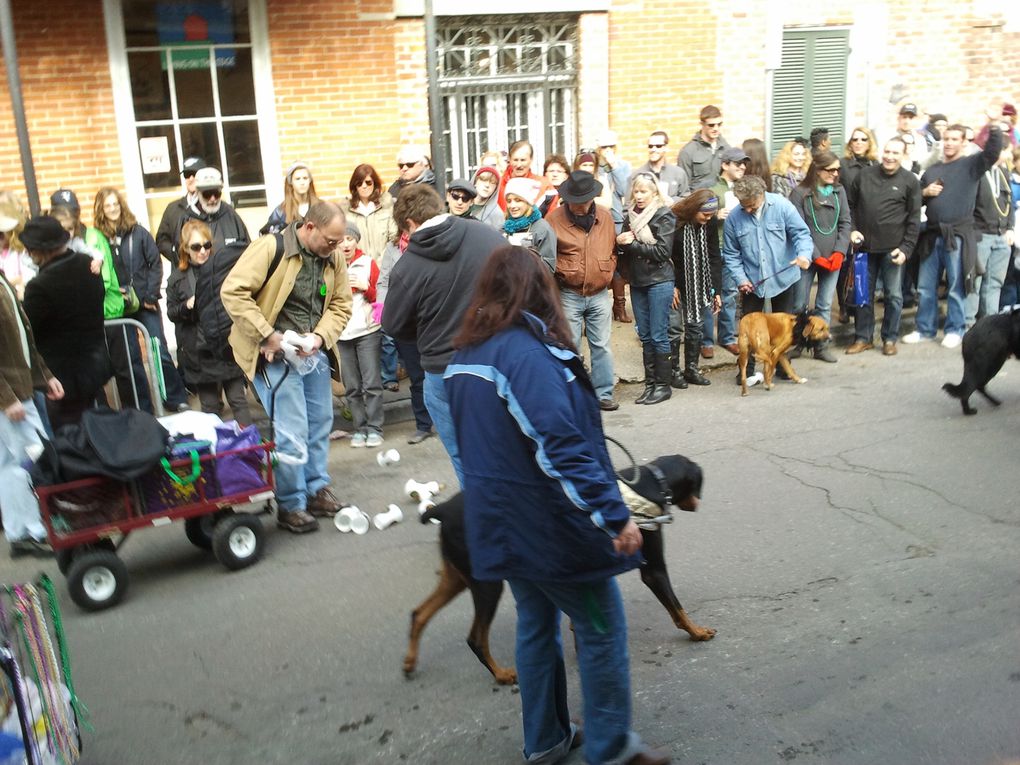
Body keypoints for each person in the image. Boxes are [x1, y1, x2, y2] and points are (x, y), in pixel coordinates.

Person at [444, 244, 669, 765]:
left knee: (536, 624)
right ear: (538, 289)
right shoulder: (523, 354)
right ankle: (611, 749)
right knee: (601, 627)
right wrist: (614, 515)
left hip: (502, 523)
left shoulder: (466, 356)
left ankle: (545, 740)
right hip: (548, 531)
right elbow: (559, 446)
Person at [221, 201, 353, 534]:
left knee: (320, 423)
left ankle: (315, 488)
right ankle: (291, 504)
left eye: (339, 242)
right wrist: (267, 335)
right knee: (292, 431)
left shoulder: (333, 257)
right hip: (272, 355)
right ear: (309, 227)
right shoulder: (271, 247)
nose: (337, 248)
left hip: (311, 354)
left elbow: (340, 305)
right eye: (331, 240)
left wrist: (320, 338)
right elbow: (233, 292)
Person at [381, 185, 505, 483]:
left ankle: (481, 515)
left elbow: (393, 325)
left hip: (443, 367)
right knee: (505, 446)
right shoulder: (487, 236)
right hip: (497, 358)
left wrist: (426, 328)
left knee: (465, 455)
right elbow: (518, 281)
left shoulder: (407, 267)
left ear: (409, 225)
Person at [903, 118, 1004, 348]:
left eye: (953, 139)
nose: (948, 143)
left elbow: (992, 152)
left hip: (957, 234)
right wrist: (925, 192)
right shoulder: (933, 170)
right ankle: (924, 329)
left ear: (963, 142)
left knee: (957, 285)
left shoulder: (971, 165)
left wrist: (994, 127)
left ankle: (955, 329)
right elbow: (914, 201)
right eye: (946, 139)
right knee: (925, 287)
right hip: (932, 234)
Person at [93, 186, 190, 412]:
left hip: (145, 302)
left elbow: (155, 263)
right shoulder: (98, 238)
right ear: (101, 209)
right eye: (107, 205)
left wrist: (149, 294)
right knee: (130, 359)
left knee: (159, 350)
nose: (112, 209)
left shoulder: (138, 232)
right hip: (119, 306)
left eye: (115, 204)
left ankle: (174, 398)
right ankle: (141, 407)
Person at [20, 216, 109, 430]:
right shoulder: (89, 266)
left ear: (40, 250)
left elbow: (29, 331)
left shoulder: (39, 286)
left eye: (31, 250)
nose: (29, 254)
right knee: (101, 434)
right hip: (95, 369)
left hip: (61, 381)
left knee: (73, 445)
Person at [722, 176, 813, 384]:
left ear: (761, 195)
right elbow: (731, 254)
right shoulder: (734, 218)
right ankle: (747, 369)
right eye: (743, 206)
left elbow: (801, 234)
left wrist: (804, 255)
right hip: (752, 283)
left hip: (784, 278)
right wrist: (741, 279)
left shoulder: (782, 206)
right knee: (751, 329)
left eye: (751, 206)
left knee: (785, 327)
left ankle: (781, 367)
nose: (746, 210)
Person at [545, 170, 621, 410]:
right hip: (569, 293)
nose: (578, 206)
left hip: (599, 293)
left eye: (583, 201)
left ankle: (604, 394)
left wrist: (607, 269)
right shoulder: (553, 220)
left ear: (592, 198)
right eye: (574, 201)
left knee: (602, 346)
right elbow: (547, 258)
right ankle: (573, 395)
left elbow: (611, 248)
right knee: (570, 347)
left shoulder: (606, 217)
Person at [0, 268, 63, 557]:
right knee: (29, 459)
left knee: (11, 465)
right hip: (12, 393)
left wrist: (44, 375)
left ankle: (22, 531)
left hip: (18, 387)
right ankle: (34, 530)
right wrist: (6, 398)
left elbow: (23, 338)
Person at [166, 219, 252, 425]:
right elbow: (171, 312)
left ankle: (251, 451)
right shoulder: (178, 278)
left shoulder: (222, 269)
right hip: (199, 350)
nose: (203, 251)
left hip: (225, 346)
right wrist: (187, 305)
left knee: (238, 401)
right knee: (210, 407)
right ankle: (216, 454)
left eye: (207, 245)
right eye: (196, 247)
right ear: (186, 248)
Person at [845, 138, 922, 356]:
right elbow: (849, 206)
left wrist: (906, 249)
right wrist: (852, 229)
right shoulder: (864, 176)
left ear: (903, 155)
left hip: (893, 250)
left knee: (894, 296)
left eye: (895, 153)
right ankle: (863, 337)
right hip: (864, 249)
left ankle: (889, 338)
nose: (889, 156)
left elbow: (914, 219)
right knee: (862, 296)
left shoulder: (910, 181)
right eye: (887, 151)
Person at [616, 173, 676, 405]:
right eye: (636, 192)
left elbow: (662, 252)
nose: (639, 196)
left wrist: (632, 244)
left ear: (654, 193)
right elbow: (624, 249)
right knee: (645, 335)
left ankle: (663, 385)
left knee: (659, 334)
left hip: (660, 279)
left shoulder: (664, 215)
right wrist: (620, 244)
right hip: (638, 280)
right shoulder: (629, 216)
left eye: (644, 192)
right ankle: (650, 384)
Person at [788, 149, 851, 362]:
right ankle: (797, 342)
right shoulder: (800, 193)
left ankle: (820, 346)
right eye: (830, 170)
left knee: (824, 304)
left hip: (833, 257)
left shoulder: (839, 191)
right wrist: (816, 255)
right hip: (807, 257)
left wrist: (840, 252)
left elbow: (845, 222)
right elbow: (798, 228)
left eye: (838, 170)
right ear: (817, 170)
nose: (835, 174)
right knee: (799, 304)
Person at [377, 227, 434, 445]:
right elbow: (383, 282)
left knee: (439, 373)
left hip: (431, 319)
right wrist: (382, 308)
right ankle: (423, 424)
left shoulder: (432, 242)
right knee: (416, 376)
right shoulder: (392, 248)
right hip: (405, 321)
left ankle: (452, 419)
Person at [337, 223, 385, 449]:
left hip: (367, 331)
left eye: (349, 239)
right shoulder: (331, 264)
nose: (345, 244)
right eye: (340, 240)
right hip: (342, 333)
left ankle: (375, 427)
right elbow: (322, 294)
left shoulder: (368, 263)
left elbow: (381, 297)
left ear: (356, 240)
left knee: (372, 382)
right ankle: (360, 428)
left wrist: (366, 287)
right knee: (352, 386)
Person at [671, 190, 722, 388]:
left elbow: (714, 255)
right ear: (693, 210)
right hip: (675, 281)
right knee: (674, 327)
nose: (708, 218)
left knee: (695, 325)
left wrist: (715, 290)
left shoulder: (709, 223)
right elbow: (666, 257)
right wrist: (672, 285)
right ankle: (674, 371)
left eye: (711, 215)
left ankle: (691, 369)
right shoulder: (674, 222)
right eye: (705, 214)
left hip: (698, 283)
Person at [965, 140, 1015, 326]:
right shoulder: (976, 173)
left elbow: (1008, 204)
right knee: (974, 282)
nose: (1007, 155)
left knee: (994, 283)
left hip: (1001, 236)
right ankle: (968, 324)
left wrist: (1010, 228)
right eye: (1004, 150)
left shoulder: (1003, 173)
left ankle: (990, 324)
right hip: (980, 235)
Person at [705, 146, 749, 357]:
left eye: (744, 163)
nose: (742, 166)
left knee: (730, 294)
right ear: (725, 165)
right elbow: (698, 216)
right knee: (709, 294)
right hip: (714, 248)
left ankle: (727, 337)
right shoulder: (714, 189)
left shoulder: (744, 188)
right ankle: (705, 341)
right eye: (737, 163)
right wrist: (716, 215)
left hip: (734, 249)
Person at [178, 167, 250, 254]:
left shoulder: (230, 214)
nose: (213, 199)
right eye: (207, 194)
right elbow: (181, 257)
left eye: (216, 194)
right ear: (197, 193)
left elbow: (247, 249)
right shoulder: (187, 219)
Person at [340, 164, 397, 262]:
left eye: (368, 182)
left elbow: (394, 237)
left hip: (385, 266)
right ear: (355, 186)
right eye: (359, 183)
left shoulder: (386, 206)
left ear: (375, 184)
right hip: (358, 267)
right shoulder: (346, 211)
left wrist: (383, 262)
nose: (364, 186)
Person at [155, 155, 204, 262]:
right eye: (187, 175)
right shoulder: (173, 208)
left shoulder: (212, 207)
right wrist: (177, 255)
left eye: (194, 174)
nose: (191, 178)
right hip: (182, 271)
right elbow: (161, 240)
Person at [502, 177, 557, 272]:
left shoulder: (542, 229)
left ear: (528, 202)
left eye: (518, 200)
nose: (512, 206)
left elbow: (548, 268)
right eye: (509, 201)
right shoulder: (504, 228)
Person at [678, 105, 730, 191]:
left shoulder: (726, 148)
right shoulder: (688, 151)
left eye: (719, 124)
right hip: (699, 200)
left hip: (722, 199)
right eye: (711, 125)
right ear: (702, 124)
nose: (716, 128)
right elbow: (683, 187)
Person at [262, 161, 321, 235]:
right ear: (291, 182)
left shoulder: (321, 206)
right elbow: (267, 236)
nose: (302, 182)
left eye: (305, 178)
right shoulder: (281, 211)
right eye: (297, 179)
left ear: (310, 181)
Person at [498, 140, 554, 212]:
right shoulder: (498, 185)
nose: (519, 165)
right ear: (509, 159)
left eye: (523, 160)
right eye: (515, 160)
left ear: (531, 159)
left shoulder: (544, 186)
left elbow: (552, 215)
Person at [634, 130, 689, 203]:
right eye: (650, 146)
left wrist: (672, 200)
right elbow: (630, 204)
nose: (653, 149)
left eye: (658, 146)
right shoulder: (638, 174)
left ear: (666, 148)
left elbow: (687, 198)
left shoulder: (678, 173)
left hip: (672, 212)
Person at [0, 202, 34, 300]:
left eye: (1, 235)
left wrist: (15, 281)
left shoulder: (22, 251)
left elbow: (29, 276)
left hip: (20, 297)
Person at [840, 127, 878, 195]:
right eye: (855, 140)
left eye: (863, 139)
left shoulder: (875, 164)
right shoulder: (842, 164)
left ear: (869, 144)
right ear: (850, 144)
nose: (859, 142)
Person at [469, 165, 505, 230]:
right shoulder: (462, 203)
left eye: (492, 182)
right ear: (475, 182)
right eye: (483, 180)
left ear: (496, 188)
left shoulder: (497, 213)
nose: (487, 185)